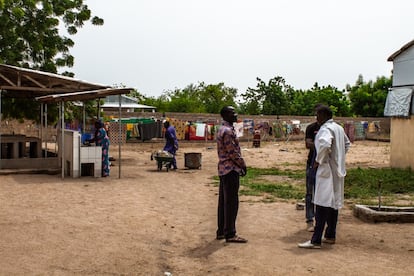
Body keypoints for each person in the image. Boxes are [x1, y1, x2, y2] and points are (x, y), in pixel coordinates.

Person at [298, 105, 351, 249]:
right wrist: (338, 158)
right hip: (336, 171)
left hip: (326, 171)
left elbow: (325, 145)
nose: (316, 118)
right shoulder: (338, 128)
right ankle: (330, 235)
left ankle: (316, 240)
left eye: (317, 115)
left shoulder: (326, 129)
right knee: (333, 203)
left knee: (321, 203)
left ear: (323, 115)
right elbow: (347, 144)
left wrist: (318, 160)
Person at [216, 106, 248, 243]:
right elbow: (233, 152)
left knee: (223, 201)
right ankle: (230, 233)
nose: (236, 115)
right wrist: (242, 164)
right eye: (233, 113)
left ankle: (221, 231)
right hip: (230, 170)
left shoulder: (222, 129)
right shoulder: (228, 131)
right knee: (231, 202)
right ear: (226, 115)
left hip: (223, 169)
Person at [304, 104, 321, 232]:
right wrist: (323, 145)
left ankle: (321, 220)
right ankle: (310, 218)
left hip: (325, 165)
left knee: (323, 192)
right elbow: (308, 144)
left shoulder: (330, 128)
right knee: (310, 192)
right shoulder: (311, 128)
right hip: (311, 163)